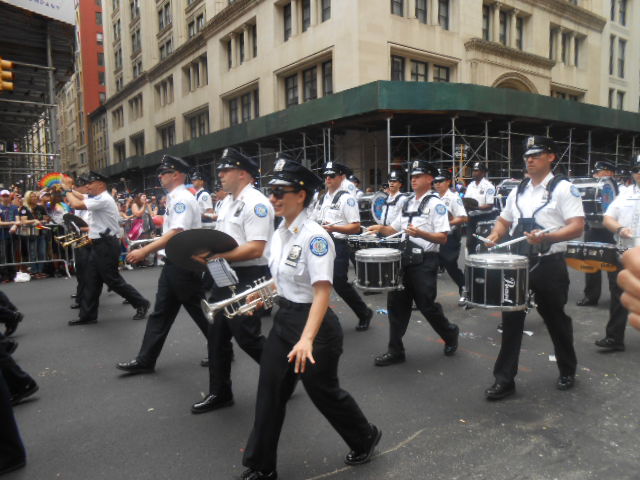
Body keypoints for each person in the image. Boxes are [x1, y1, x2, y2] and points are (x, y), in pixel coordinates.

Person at [240, 157, 381, 480]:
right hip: (285, 319)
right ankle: (261, 466)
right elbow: (283, 281)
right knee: (270, 390)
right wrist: (260, 295)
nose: (273, 198)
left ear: (300, 195)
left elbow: (321, 292)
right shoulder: (281, 232)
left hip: (315, 329)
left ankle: (365, 435)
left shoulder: (315, 237)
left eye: (280, 192)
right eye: (270, 191)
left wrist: (306, 338)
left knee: (324, 392)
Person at [482, 136, 584, 400]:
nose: (529, 160)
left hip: (549, 263)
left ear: (551, 157)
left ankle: (567, 369)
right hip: (519, 262)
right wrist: (495, 233)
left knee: (555, 319)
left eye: (536, 155)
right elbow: (504, 220)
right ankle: (504, 379)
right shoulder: (519, 190)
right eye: (527, 156)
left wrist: (547, 237)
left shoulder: (563, 188)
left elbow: (576, 225)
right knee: (511, 319)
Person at [190, 147, 274, 414]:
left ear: (243, 173)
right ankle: (220, 392)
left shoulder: (256, 203)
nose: (221, 175)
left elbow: (256, 248)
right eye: (220, 171)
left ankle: (283, 373)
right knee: (216, 336)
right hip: (223, 272)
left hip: (249, 274)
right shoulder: (226, 202)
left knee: (247, 337)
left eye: (226, 170)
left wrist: (216, 254)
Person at [116, 155, 211, 376]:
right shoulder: (175, 197)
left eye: (164, 172)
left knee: (199, 311)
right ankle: (145, 359)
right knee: (161, 313)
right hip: (175, 264)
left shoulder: (181, 199)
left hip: (183, 264)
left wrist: (144, 250)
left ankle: (221, 346)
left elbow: (176, 232)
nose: (160, 176)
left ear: (176, 174)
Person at [367, 160, 459, 366]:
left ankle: (450, 332)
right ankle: (395, 350)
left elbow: (442, 237)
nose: (413, 179)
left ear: (429, 179)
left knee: (426, 305)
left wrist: (420, 233)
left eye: (418, 176)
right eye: (412, 176)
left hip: (425, 261)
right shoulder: (407, 202)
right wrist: (379, 229)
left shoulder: (437, 204)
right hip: (403, 259)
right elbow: (395, 229)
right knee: (396, 305)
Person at [63, 172, 150, 326]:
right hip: (99, 244)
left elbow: (76, 204)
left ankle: (141, 302)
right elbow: (82, 197)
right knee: (91, 280)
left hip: (106, 245)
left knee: (112, 280)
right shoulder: (98, 198)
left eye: (91, 183)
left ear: (101, 184)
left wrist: (67, 190)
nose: (87, 186)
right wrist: (70, 190)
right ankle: (88, 315)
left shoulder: (103, 199)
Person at [311, 162, 373, 331]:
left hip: (339, 243)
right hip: (322, 243)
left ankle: (364, 312)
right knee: (318, 281)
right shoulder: (324, 198)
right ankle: (319, 320)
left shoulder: (347, 198)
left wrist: (334, 227)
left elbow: (355, 227)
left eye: (332, 175)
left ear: (341, 177)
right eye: (326, 176)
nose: (328, 179)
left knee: (339, 282)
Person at [595, 156, 640, 351]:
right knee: (619, 295)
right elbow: (608, 218)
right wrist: (620, 229)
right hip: (624, 252)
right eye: (637, 169)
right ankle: (614, 337)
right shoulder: (624, 193)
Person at [576, 160, 618, 307]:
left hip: (610, 230)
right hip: (593, 229)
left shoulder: (617, 188)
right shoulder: (592, 187)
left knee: (613, 266)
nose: (596, 174)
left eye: (600, 171)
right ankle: (591, 297)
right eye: (596, 172)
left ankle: (617, 298)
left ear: (610, 173)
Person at [433, 169, 468, 304]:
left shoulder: (453, 198)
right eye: (435, 181)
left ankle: (465, 289)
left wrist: (447, 222)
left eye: (440, 181)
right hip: (434, 237)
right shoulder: (433, 197)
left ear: (448, 182)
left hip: (450, 237)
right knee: (430, 265)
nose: (437, 184)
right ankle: (426, 296)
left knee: (450, 265)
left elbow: (463, 218)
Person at [69, 176, 92, 310]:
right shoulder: (79, 202)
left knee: (108, 275)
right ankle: (81, 296)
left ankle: (137, 300)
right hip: (81, 239)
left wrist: (68, 190)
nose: (76, 189)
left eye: (78, 186)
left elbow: (89, 225)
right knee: (81, 270)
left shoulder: (90, 199)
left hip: (92, 240)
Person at [464, 162, 496, 254]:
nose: (474, 173)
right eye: (473, 170)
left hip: (485, 218)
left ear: (483, 173)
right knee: (470, 243)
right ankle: (471, 267)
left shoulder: (489, 186)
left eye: (477, 171)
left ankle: (482, 267)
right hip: (472, 218)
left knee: (483, 244)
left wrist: (475, 207)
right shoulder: (470, 186)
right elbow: (466, 201)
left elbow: (490, 205)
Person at [0, 190, 20, 283]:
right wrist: (12, 223)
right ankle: (4, 275)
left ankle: (12, 274)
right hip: (2, 235)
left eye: (7, 196)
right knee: (3, 255)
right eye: (3, 196)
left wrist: (15, 225)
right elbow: (0, 223)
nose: (5, 197)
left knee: (11, 255)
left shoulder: (14, 207)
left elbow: (18, 220)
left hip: (12, 234)